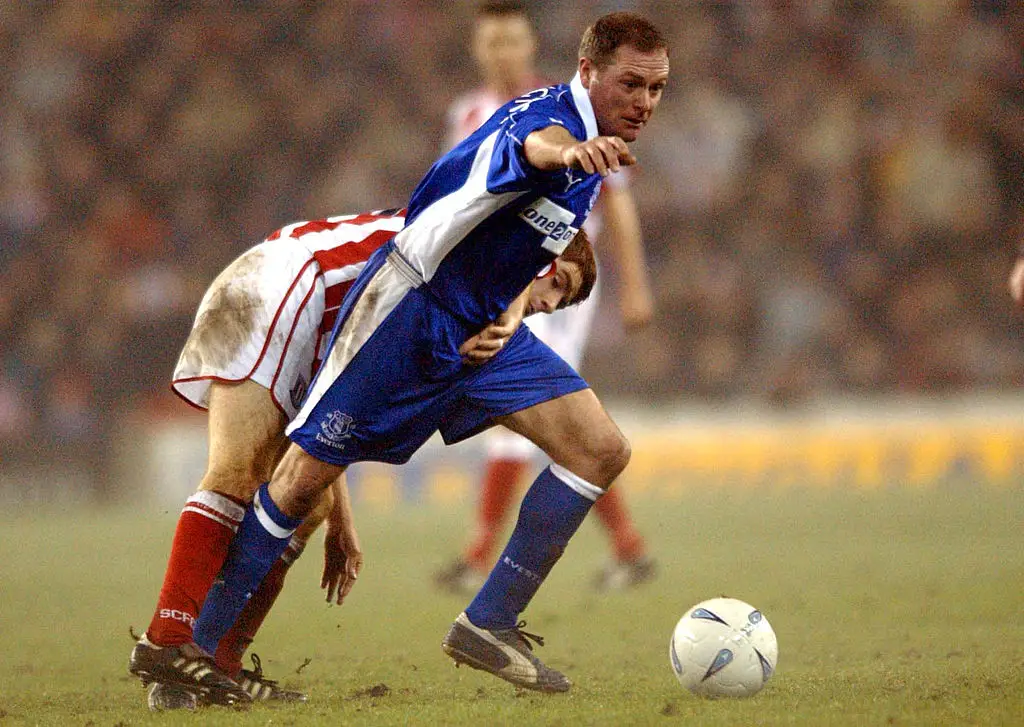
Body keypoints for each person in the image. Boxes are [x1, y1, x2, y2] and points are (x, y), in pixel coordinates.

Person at [188, 11, 669, 696]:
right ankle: (201, 653)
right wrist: (567, 155)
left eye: (656, 88)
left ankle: (488, 622)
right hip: (411, 312)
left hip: (484, 327)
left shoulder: (597, 146)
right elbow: (534, 148)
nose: (645, 102)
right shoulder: (548, 124)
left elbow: (514, 231)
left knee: (600, 449)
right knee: (298, 483)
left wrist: (512, 307)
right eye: (632, 84)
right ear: (587, 72)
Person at [128, 208, 597, 710]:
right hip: (290, 285)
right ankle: (168, 639)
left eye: (562, 303)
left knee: (311, 506)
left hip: (308, 315)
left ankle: (214, 666)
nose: (549, 304)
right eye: (558, 283)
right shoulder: (478, 254)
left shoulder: (474, 296)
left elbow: (333, 418)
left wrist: (342, 519)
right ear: (541, 253)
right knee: (236, 475)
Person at [436, 0, 657, 597]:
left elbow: (617, 200)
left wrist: (635, 287)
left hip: (556, 280)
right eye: (492, 42)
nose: (503, 52)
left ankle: (478, 557)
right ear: (478, 49)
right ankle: (629, 548)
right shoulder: (467, 113)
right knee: (553, 417)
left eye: (512, 40)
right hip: (497, 281)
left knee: (523, 406)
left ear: (530, 44)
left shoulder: (573, 110)